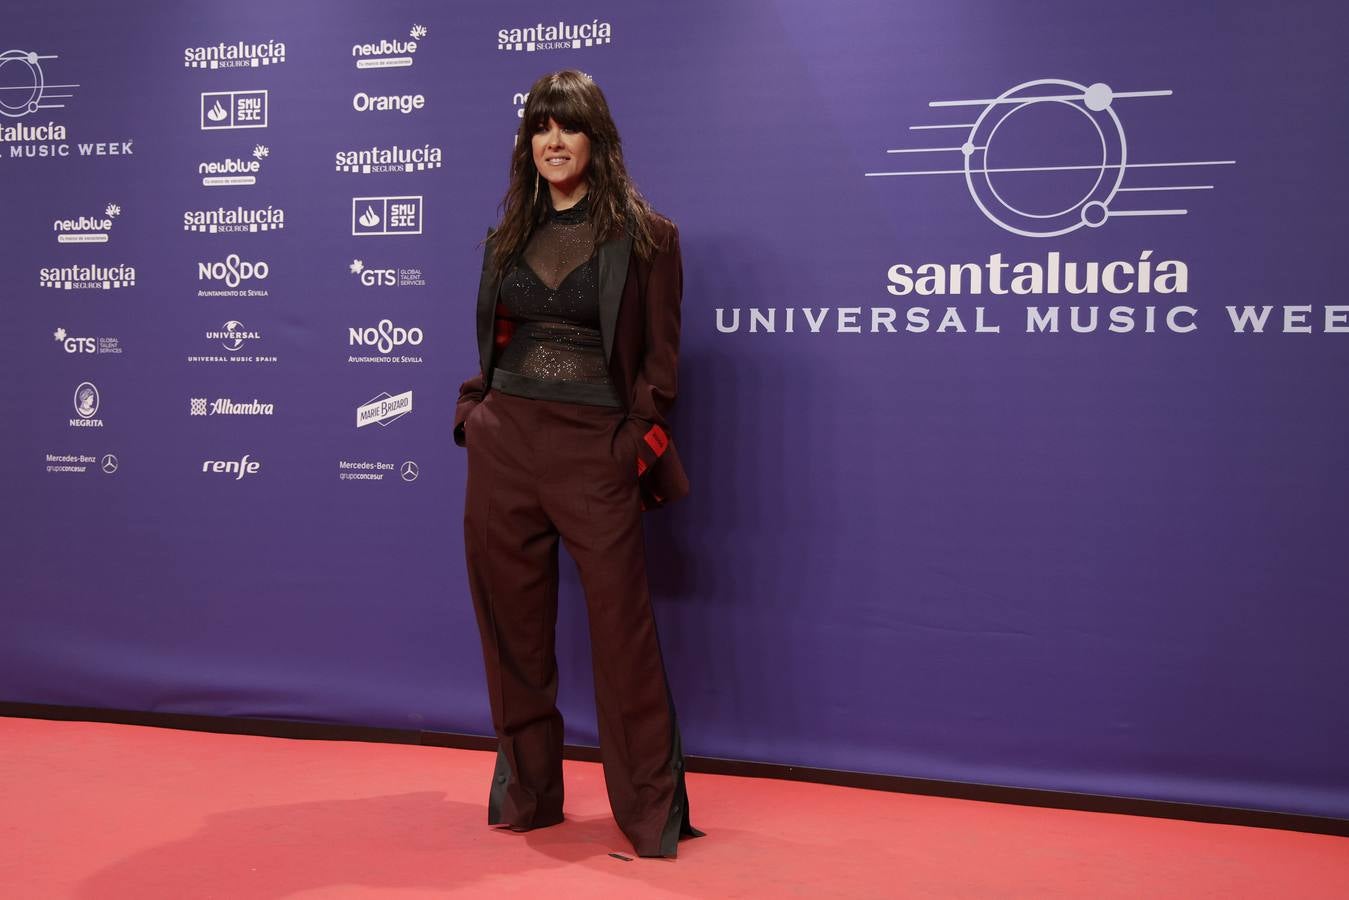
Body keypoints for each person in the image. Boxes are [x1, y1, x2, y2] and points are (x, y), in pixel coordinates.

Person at [452, 69, 701, 859]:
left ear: (597, 137)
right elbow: (491, 344)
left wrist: (628, 446)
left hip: (594, 449)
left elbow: (659, 368)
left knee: (621, 638)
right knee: (512, 634)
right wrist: (475, 418)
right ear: (527, 143)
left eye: (568, 126)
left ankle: (649, 813)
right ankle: (529, 796)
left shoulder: (649, 235)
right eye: (539, 128)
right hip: (505, 447)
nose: (553, 142)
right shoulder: (507, 237)